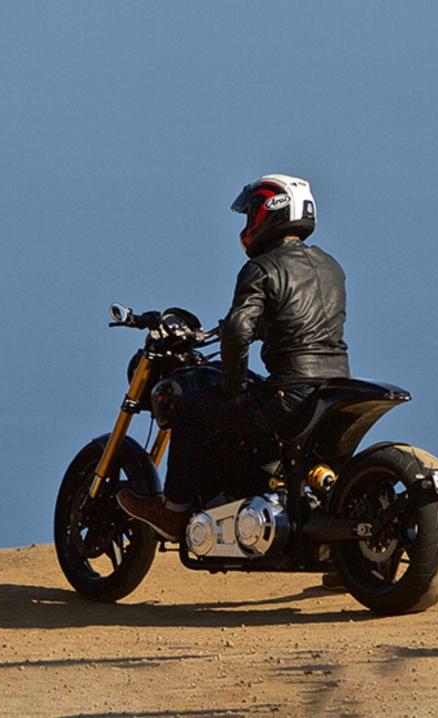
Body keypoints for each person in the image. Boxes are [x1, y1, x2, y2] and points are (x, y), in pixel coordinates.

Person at [117, 174, 350, 542]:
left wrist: (232, 385)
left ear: (269, 213)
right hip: (335, 387)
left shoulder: (262, 268)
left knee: (190, 407)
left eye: (251, 215)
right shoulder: (330, 267)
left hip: (289, 394)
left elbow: (240, 328)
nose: (247, 225)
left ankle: (174, 513)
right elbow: (299, 322)